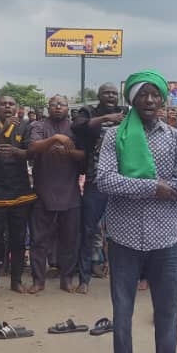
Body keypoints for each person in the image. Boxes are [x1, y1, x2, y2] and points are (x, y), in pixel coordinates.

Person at [96, 70, 177, 353]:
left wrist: (142, 187)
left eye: (156, 94)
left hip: (165, 237)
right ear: (133, 100)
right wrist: (155, 186)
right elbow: (105, 181)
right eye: (143, 95)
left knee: (167, 310)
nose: (150, 100)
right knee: (122, 310)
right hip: (122, 236)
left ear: (163, 99)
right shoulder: (114, 137)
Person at [29, 95, 85, 293]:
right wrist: (55, 138)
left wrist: (68, 151)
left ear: (68, 108)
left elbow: (84, 155)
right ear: (48, 108)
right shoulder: (38, 126)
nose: (58, 107)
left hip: (70, 193)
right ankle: (38, 280)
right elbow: (33, 147)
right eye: (54, 104)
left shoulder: (75, 128)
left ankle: (67, 278)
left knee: (69, 240)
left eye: (61, 104)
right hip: (43, 192)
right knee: (38, 240)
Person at [0, 95, 37, 295]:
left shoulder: (25, 126)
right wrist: (4, 130)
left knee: (19, 239)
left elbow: (31, 153)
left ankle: (16, 281)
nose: (7, 106)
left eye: (11, 104)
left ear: (16, 108)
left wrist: (17, 152)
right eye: (3, 104)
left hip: (19, 191)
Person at [74, 83, 125, 280]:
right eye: (106, 93)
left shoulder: (126, 113)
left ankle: (128, 273)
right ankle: (84, 277)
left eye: (114, 93)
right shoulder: (88, 111)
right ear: (99, 95)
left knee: (123, 228)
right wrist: (105, 118)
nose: (111, 96)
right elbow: (76, 126)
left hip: (122, 181)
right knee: (89, 228)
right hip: (95, 179)